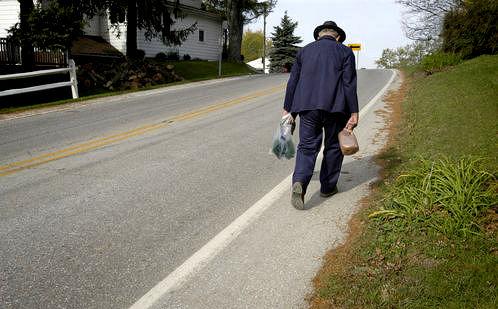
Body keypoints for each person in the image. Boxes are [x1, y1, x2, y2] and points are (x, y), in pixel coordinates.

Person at [282, 21, 359, 210]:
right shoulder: (345, 52)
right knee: (333, 147)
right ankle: (328, 187)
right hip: (336, 108)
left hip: (307, 108)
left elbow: (293, 82)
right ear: (338, 37)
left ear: (319, 35)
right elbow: (349, 83)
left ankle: (299, 181)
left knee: (307, 147)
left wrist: (287, 109)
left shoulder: (304, 51)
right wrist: (354, 111)